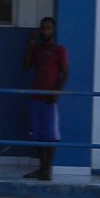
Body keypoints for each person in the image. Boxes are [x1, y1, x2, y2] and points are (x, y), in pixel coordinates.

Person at [24, 16, 69, 182]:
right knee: (38, 134)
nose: (45, 31)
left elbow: (66, 73)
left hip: (50, 97)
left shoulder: (60, 50)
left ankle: (48, 169)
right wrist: (30, 45)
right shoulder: (37, 50)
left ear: (54, 30)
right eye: (43, 28)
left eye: (48, 28)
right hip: (36, 95)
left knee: (50, 135)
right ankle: (41, 168)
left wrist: (57, 93)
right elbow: (26, 66)